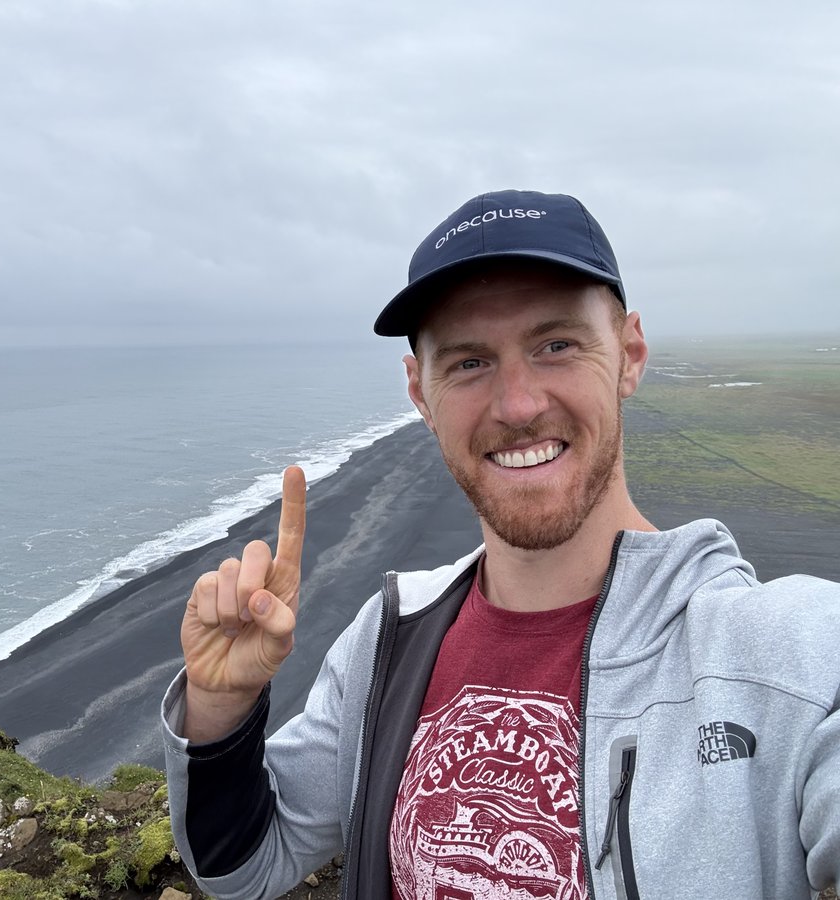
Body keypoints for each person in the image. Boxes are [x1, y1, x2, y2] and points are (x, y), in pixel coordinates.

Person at [160, 189, 840, 900]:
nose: (518, 405)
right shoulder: (386, 644)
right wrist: (221, 707)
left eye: (556, 345)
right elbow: (243, 867)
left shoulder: (785, 661)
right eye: (469, 363)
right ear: (420, 394)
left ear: (630, 355)